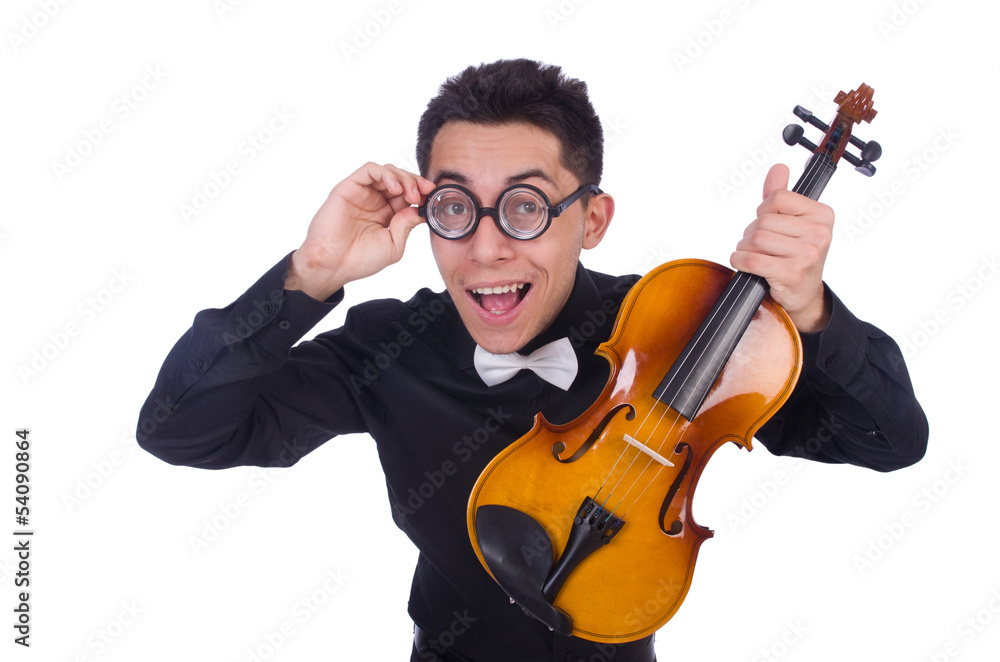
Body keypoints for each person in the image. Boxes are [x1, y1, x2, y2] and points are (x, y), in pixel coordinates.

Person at [137, 59, 928, 662]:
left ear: (593, 220)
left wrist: (810, 311)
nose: (485, 248)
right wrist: (310, 275)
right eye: (455, 207)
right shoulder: (389, 347)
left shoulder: (675, 327)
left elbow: (888, 440)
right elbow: (180, 429)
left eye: (525, 206)